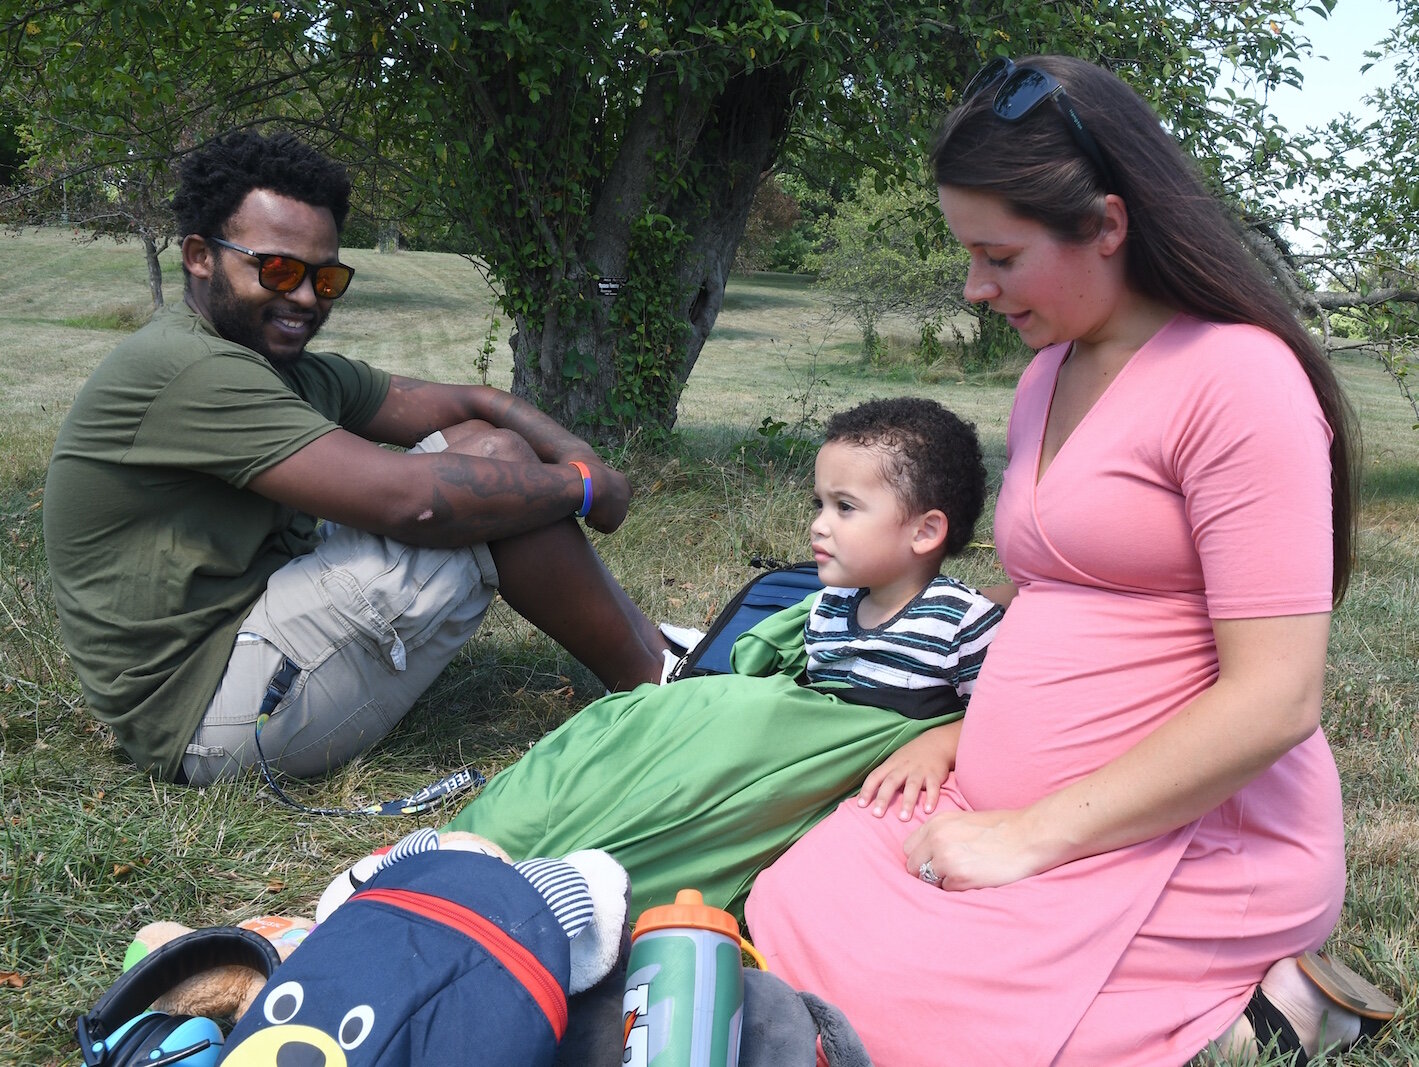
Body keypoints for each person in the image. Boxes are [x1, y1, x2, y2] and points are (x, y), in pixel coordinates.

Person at [744, 55, 1398, 1066]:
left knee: (914, 1011)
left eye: (998, 256)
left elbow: (1279, 697)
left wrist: (1032, 835)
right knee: (798, 897)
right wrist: (963, 732)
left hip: (1188, 836)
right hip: (1006, 803)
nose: (974, 287)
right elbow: (1051, 590)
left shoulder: (1241, 381)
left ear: (1104, 222)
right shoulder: (1051, 371)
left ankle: (1273, 1013)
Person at [43, 130, 673, 786]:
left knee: (491, 454)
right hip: (209, 717)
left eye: (327, 277)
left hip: (247, 644)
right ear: (200, 256)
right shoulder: (189, 368)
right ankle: (667, 695)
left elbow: (470, 400)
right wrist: (582, 487)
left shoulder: (272, 364)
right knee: (487, 474)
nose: (308, 298)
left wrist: (577, 454)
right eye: (279, 270)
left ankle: (659, 658)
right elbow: (415, 502)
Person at [444, 397, 1006, 917]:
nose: (818, 523)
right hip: (784, 754)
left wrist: (938, 742)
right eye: (819, 503)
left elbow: (1000, 720)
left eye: (846, 507)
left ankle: (571, 882)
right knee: (640, 734)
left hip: (844, 774)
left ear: (925, 531)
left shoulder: (961, 619)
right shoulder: (831, 607)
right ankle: (496, 847)